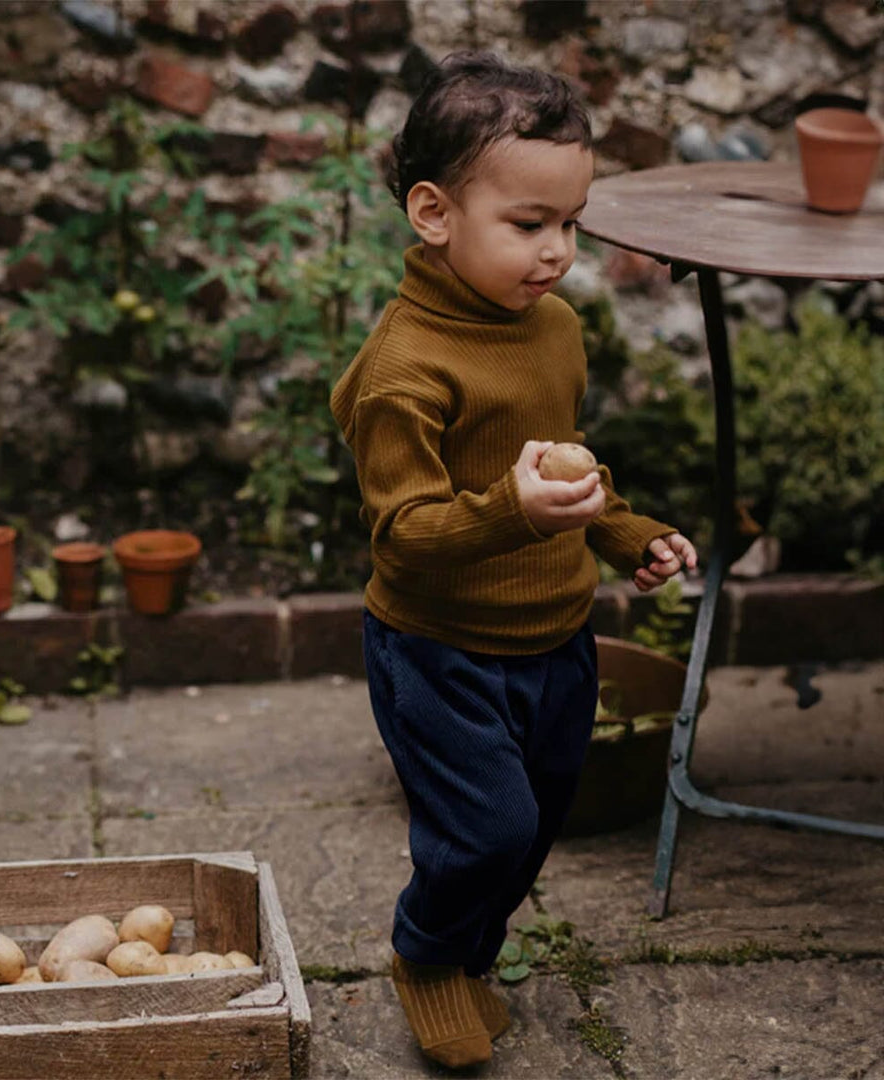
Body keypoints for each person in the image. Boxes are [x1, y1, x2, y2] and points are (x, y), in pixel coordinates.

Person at [329, 51, 697, 1068]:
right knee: (484, 828)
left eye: (570, 223)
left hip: (556, 635)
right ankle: (427, 957)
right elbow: (407, 534)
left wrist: (624, 531)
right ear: (435, 214)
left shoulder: (555, 331)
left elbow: (561, 470)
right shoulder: (406, 370)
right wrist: (516, 515)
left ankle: (471, 956)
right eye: (528, 224)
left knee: (535, 822)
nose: (558, 251)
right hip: (439, 646)